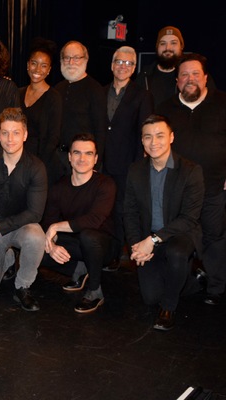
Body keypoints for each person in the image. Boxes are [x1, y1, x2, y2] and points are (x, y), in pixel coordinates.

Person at [157, 53, 226, 306]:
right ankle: (182, 283)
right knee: (179, 239)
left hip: (214, 186)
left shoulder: (222, 103)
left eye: (195, 74)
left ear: (205, 78)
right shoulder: (164, 109)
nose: (190, 79)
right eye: (184, 75)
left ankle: (216, 290)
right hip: (177, 191)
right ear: (177, 81)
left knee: (214, 237)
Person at [123, 114, 204, 331]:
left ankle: (169, 307)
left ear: (171, 137)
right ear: (141, 141)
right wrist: (135, 245)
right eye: (147, 137)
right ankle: (191, 280)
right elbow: (129, 212)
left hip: (180, 236)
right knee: (150, 298)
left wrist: (153, 240)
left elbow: (189, 218)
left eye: (160, 135)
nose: (153, 142)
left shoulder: (190, 171)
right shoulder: (135, 170)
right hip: (148, 237)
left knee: (176, 254)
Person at [0, 108, 47, 311]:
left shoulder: (36, 167)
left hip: (21, 226)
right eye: (5, 132)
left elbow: (35, 213)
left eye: (16, 132)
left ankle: (23, 285)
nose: (10, 139)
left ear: (25, 134)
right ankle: (8, 258)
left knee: (36, 236)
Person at [40, 133, 117, 314]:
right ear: (69, 157)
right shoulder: (59, 186)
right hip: (76, 244)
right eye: (77, 153)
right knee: (38, 247)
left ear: (96, 158)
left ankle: (95, 291)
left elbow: (94, 220)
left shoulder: (106, 184)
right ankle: (79, 269)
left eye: (88, 153)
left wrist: (56, 227)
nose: (82, 158)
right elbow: (48, 221)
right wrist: (51, 245)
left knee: (88, 235)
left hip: (104, 246)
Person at [102, 46, 154, 271]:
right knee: (104, 209)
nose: (122, 67)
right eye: (119, 62)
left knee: (123, 209)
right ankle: (106, 251)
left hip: (127, 163)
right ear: (112, 65)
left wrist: (139, 164)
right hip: (102, 162)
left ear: (134, 68)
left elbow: (145, 131)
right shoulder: (100, 91)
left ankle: (120, 253)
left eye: (128, 63)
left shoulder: (142, 95)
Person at [54, 41, 106, 177]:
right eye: (67, 57)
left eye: (77, 58)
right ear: (61, 60)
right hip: (58, 160)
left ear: (86, 60)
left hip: (83, 163)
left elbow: (101, 130)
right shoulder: (57, 89)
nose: (71, 62)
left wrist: (96, 163)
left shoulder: (95, 89)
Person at [135, 26, 215, 109]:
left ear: (181, 46)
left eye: (173, 43)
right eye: (163, 43)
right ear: (157, 47)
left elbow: (212, 106)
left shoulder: (197, 75)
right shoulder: (145, 76)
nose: (168, 48)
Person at [18, 37, 63, 185]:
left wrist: (35, 166)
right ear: (27, 65)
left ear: (49, 70)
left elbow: (53, 138)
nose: (37, 70)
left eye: (44, 66)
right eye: (34, 63)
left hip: (41, 166)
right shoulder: (17, 93)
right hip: (16, 162)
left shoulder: (54, 98)